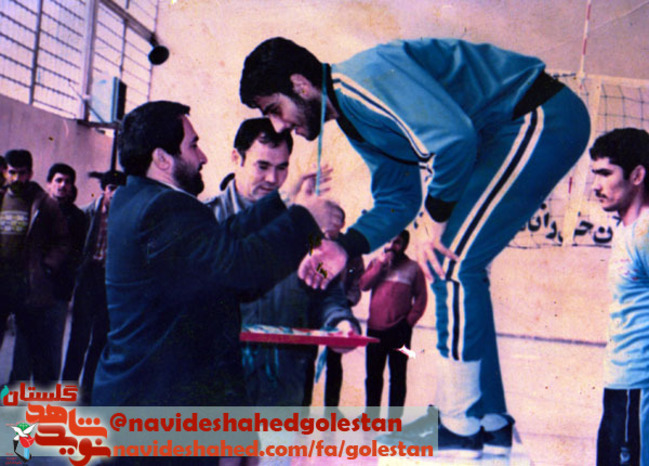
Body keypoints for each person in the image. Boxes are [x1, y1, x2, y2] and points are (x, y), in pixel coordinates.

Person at [240, 37, 591, 456]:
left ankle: (459, 424)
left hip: (539, 116)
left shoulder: (362, 80)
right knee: (462, 267)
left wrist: (434, 224)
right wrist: (345, 247)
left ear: (300, 84)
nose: (279, 126)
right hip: (510, 129)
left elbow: (454, 141)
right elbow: (398, 198)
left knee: (451, 263)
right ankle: (490, 421)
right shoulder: (353, 115)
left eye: (274, 109)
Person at [92, 101, 340, 408]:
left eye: (281, 168)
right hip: (159, 398)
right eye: (193, 145)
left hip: (159, 391)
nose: (203, 156)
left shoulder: (137, 198)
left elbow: (223, 241)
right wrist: (304, 218)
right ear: (162, 158)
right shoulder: (166, 208)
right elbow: (240, 270)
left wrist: (287, 200)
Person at [206, 117, 359, 406]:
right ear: (236, 158)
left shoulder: (303, 226)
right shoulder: (205, 222)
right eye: (262, 166)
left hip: (283, 390)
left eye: (282, 168)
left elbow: (324, 285)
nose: (272, 179)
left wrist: (340, 322)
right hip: (216, 389)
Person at [589, 128, 649, 466]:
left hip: (638, 390)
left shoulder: (646, 233)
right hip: (621, 386)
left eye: (605, 174)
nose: (596, 185)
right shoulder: (624, 228)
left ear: (637, 176)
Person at [1, 149, 70, 383]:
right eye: (12, 172)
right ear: (5, 172)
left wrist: (47, 266)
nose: (17, 178)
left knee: (29, 348)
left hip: (28, 286)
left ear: (30, 173)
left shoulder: (44, 203)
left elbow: (63, 241)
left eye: (22, 173)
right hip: (1, 283)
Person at [61, 170, 126, 404]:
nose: (115, 194)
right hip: (88, 277)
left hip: (109, 281)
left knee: (101, 336)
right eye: (112, 189)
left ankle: (88, 388)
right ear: (104, 190)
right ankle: (68, 387)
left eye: (120, 189)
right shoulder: (87, 213)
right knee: (79, 336)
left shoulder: (124, 217)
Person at [358, 230, 426, 418]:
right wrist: (380, 264)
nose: (392, 246)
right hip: (375, 330)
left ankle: (394, 420)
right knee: (373, 376)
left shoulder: (413, 268)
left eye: (397, 242)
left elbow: (421, 299)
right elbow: (363, 285)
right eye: (389, 241)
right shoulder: (375, 262)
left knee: (397, 377)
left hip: (400, 331)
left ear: (405, 245)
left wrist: (408, 323)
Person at [46, 163, 86, 304]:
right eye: (58, 180)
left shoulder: (78, 217)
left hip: (60, 286)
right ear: (49, 184)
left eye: (67, 182)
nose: (63, 185)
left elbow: (77, 252)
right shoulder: (37, 210)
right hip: (33, 283)